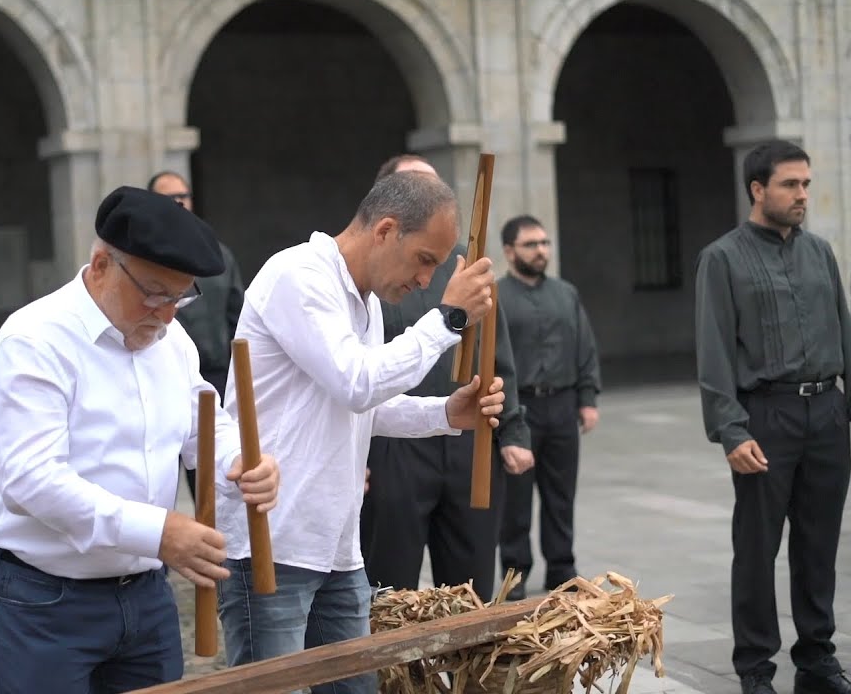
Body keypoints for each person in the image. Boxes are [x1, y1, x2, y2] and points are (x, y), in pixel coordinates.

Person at [0, 185, 280, 693]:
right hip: (42, 597)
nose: (165, 313)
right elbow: (31, 480)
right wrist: (157, 532)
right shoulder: (34, 340)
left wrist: (241, 462)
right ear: (100, 265)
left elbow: (204, 423)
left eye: (180, 297)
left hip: (144, 595)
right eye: (154, 293)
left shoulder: (171, 338)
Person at [217, 170, 506, 694]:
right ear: (385, 230)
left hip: (336, 545)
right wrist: (448, 320)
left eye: (436, 270)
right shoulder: (298, 275)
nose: (425, 282)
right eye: (425, 261)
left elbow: (364, 404)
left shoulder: (365, 301)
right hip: (272, 540)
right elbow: (356, 381)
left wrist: (446, 414)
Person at [694, 140, 851, 694]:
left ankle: (817, 661)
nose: (802, 194)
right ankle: (755, 669)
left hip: (827, 414)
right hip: (766, 418)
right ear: (758, 189)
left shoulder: (821, 253)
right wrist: (730, 429)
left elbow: (846, 332)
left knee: (818, 545)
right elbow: (713, 355)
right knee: (757, 550)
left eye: (806, 183)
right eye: (790, 184)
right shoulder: (723, 258)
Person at [359, 154, 534, 604]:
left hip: (465, 434)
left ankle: (467, 674)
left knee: (470, 585)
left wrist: (512, 428)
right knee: (389, 582)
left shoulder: (466, 264)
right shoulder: (373, 270)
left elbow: (497, 354)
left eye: (434, 190)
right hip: (393, 437)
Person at [497, 214, 601, 601]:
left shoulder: (565, 294)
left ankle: (562, 566)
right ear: (509, 251)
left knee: (561, 494)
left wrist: (587, 399)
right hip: (518, 410)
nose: (541, 251)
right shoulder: (495, 297)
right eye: (531, 244)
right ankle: (514, 570)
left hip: (561, 405)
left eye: (544, 243)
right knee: (516, 497)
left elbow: (585, 348)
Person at [147, 171, 245, 498]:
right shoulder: (145, 256)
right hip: (158, 377)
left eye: (183, 196)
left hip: (213, 375)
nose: (178, 203)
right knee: (155, 478)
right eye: (168, 198)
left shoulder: (217, 255)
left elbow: (237, 315)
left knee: (210, 482)